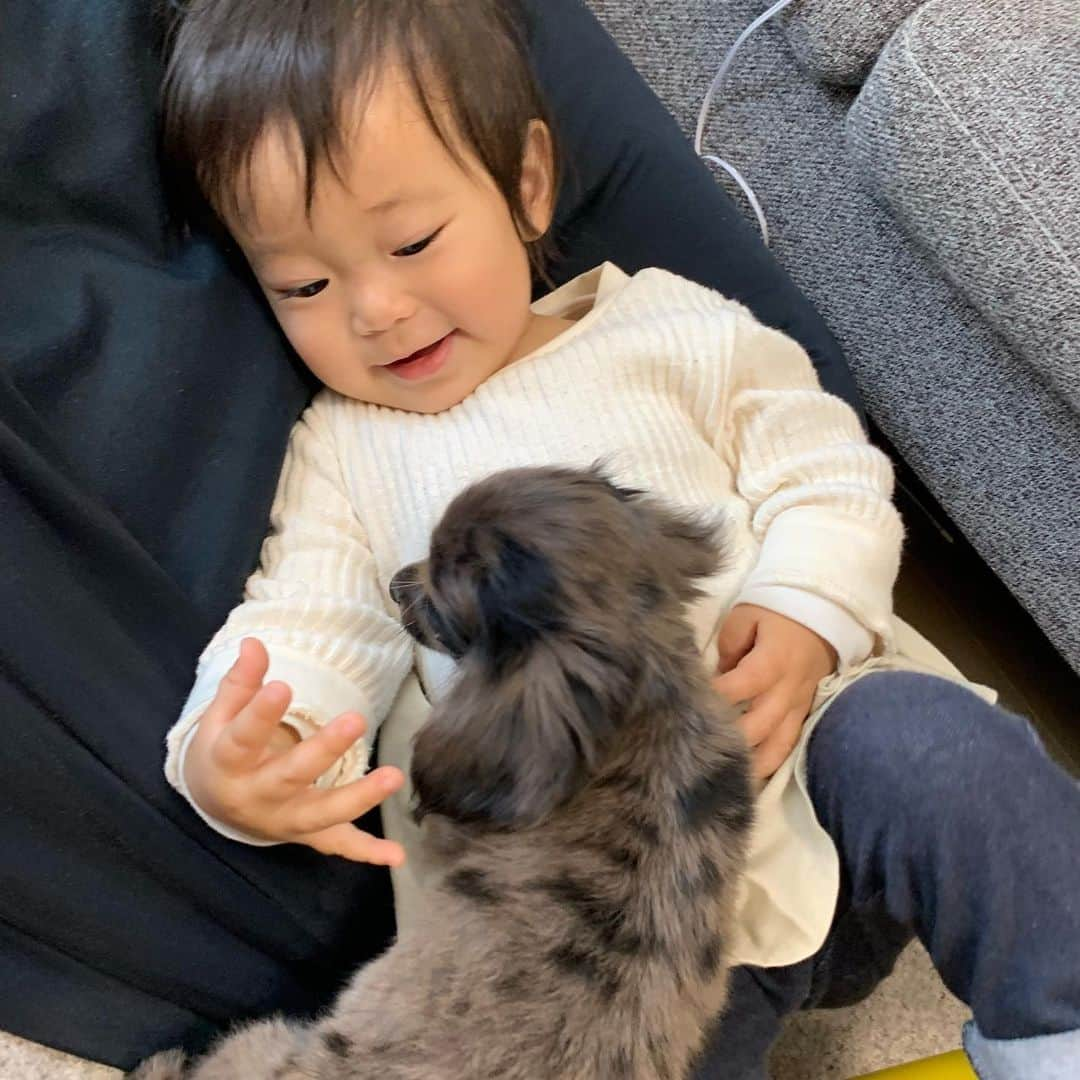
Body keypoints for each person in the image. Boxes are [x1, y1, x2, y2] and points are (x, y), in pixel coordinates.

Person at [152, 2, 1080, 1078]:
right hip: (606, 927)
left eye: (412, 242)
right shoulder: (346, 451)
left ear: (525, 185)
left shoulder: (669, 327)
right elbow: (304, 625)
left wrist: (806, 608)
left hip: (814, 769)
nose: (376, 308)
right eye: (304, 286)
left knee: (946, 752)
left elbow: (825, 467)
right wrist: (246, 754)